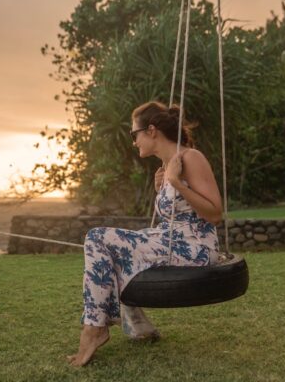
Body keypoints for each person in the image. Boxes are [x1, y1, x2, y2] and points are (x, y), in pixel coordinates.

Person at [68, 101, 223, 366]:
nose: (133, 142)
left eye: (134, 134)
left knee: (97, 238)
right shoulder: (166, 168)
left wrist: (176, 184)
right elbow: (177, 212)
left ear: (151, 131)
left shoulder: (190, 158)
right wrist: (165, 186)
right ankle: (135, 325)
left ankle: (94, 329)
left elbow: (215, 213)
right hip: (171, 242)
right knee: (106, 247)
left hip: (196, 246)